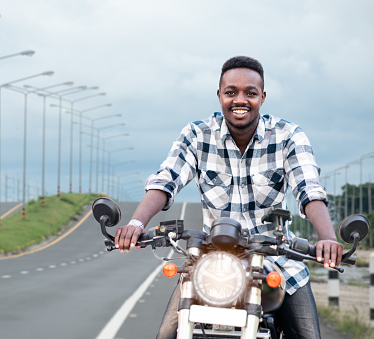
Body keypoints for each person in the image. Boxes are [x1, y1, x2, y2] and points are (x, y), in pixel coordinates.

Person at [114, 56, 343, 339]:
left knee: (309, 335)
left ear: (262, 97)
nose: (240, 100)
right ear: (220, 95)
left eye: (250, 93)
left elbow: (309, 189)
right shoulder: (197, 135)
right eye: (231, 92)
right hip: (213, 263)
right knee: (166, 335)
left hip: (276, 260)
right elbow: (166, 180)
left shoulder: (288, 136)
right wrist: (136, 224)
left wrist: (328, 239)